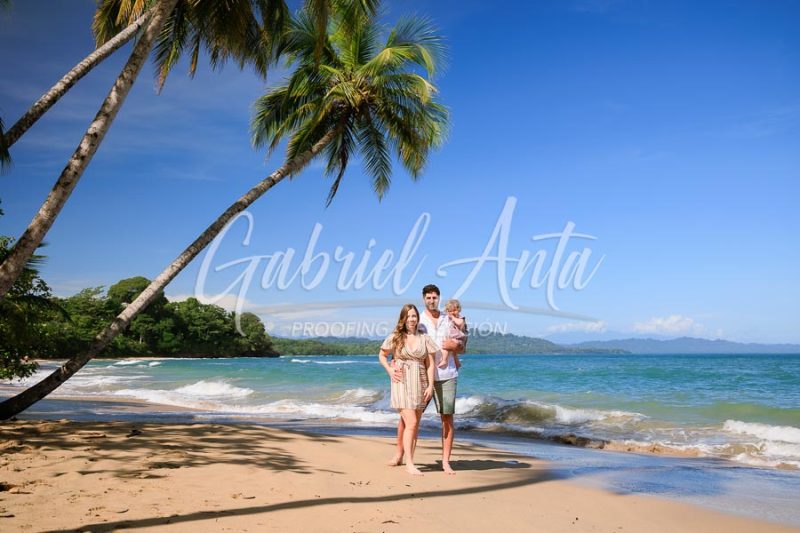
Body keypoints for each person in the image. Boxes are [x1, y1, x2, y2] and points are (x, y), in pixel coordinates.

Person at [390, 285, 465, 474]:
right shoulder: (418, 319)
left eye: (435, 297)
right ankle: (399, 454)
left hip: (447, 374)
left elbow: (463, 345)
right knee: (409, 418)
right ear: (424, 299)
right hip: (421, 376)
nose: (432, 301)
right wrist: (393, 362)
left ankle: (445, 462)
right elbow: (401, 340)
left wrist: (454, 346)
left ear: (439, 298)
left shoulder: (450, 318)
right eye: (429, 298)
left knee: (447, 417)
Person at [378, 304, 436, 476]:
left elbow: (430, 364)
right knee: (411, 422)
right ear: (403, 319)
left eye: (414, 316)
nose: (412, 319)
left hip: (420, 382)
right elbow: (382, 355)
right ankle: (410, 464)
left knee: (414, 424)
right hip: (401, 381)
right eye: (409, 316)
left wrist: (430, 385)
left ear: (418, 318)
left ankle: (405, 458)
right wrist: (390, 370)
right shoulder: (396, 337)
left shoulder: (425, 338)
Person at [437, 299, 468, 369]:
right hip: (452, 338)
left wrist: (453, 318)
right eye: (450, 311)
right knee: (447, 348)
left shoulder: (460, 318)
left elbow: (460, 323)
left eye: (454, 310)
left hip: (459, 339)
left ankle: (444, 360)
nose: (452, 312)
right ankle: (456, 363)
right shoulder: (447, 319)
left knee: (448, 346)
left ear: (459, 310)